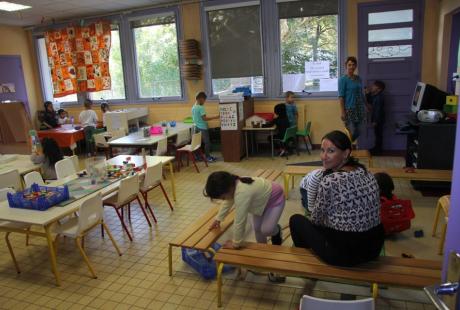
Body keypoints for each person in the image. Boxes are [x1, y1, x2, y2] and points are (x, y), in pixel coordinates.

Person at [289, 130, 384, 267]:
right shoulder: (367, 173)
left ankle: (308, 265)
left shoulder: (330, 180)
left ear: (346, 153)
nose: (323, 156)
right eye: (322, 150)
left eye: (331, 151)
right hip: (373, 248)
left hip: (344, 254)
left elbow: (316, 220)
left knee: (296, 220)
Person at [205, 171, 285, 281]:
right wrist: (218, 219)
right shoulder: (233, 186)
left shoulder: (242, 192)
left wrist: (236, 243)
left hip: (275, 199)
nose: (223, 200)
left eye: (223, 197)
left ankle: (277, 231)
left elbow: (240, 220)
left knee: (267, 230)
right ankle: (264, 253)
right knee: (257, 229)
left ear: (228, 189)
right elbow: (227, 202)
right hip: (259, 202)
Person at [338, 56, 366, 142]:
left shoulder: (358, 78)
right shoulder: (342, 80)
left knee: (361, 129)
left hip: (360, 108)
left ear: (356, 66)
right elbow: (341, 96)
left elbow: (361, 93)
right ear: (346, 66)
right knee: (351, 131)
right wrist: (343, 112)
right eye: (349, 65)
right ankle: (346, 149)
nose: (351, 67)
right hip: (350, 109)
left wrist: (366, 105)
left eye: (353, 65)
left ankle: (346, 145)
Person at [191, 92, 219, 162]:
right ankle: (208, 157)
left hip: (196, 127)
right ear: (200, 99)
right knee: (207, 142)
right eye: (204, 100)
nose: (204, 102)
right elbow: (204, 118)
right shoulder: (201, 107)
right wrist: (216, 117)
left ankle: (198, 157)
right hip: (202, 127)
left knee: (197, 143)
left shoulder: (193, 107)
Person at [366, 80, 386, 155]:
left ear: (379, 89)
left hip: (379, 120)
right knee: (377, 134)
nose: (372, 87)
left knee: (378, 135)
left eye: (374, 86)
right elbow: (370, 102)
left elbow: (378, 110)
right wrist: (367, 94)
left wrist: (375, 121)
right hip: (378, 119)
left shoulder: (379, 98)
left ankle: (378, 150)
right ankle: (376, 148)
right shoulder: (375, 96)